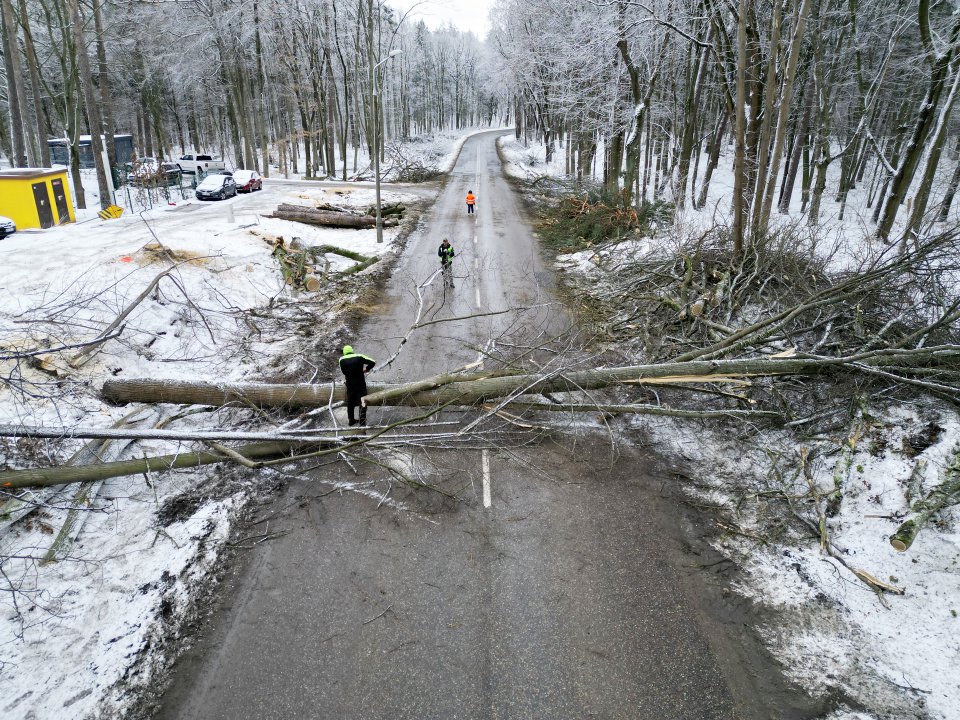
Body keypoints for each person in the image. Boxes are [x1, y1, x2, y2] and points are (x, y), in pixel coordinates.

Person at [339, 345, 376, 426]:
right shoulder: (359, 356)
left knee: (350, 403)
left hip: (350, 384)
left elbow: (344, 372)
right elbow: (373, 362)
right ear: (352, 350)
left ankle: (351, 420)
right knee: (363, 401)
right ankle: (362, 422)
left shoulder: (341, 360)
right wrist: (367, 369)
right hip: (360, 383)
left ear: (344, 352)